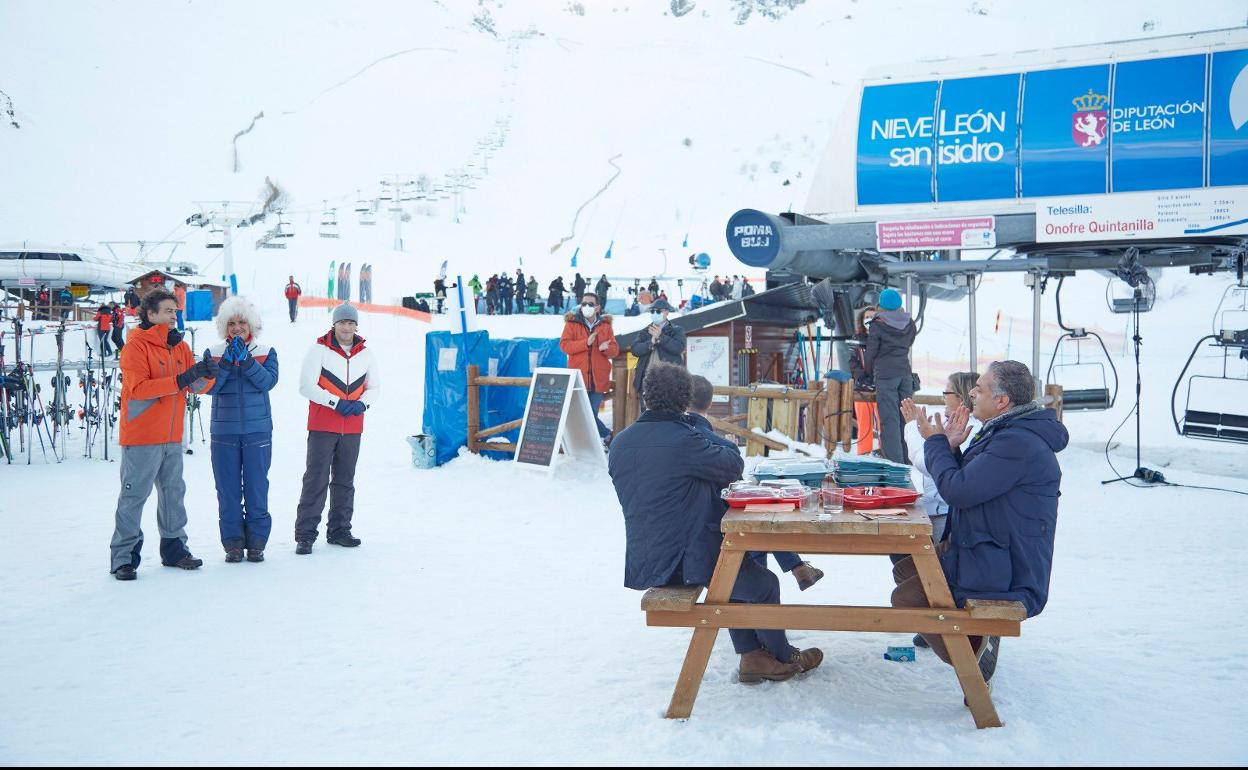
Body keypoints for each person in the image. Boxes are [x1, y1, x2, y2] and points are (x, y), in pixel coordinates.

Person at [609, 362, 823, 682]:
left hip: (647, 557)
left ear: (646, 396)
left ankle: (752, 656)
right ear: (684, 401)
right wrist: (698, 426)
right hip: (684, 561)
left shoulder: (621, 442)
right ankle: (783, 657)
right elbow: (733, 464)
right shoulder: (685, 440)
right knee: (763, 584)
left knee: (738, 567)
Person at [892, 360, 1067, 683]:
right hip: (990, 551)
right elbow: (972, 483)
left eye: (980, 388)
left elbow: (958, 491)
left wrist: (938, 443)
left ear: (1002, 401)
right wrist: (952, 449)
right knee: (907, 568)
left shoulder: (1016, 443)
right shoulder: (1009, 433)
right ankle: (974, 639)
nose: (972, 392)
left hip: (1005, 569)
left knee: (906, 598)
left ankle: (972, 658)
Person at [109, 288, 215, 580]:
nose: (174, 316)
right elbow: (138, 389)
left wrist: (207, 373)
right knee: (134, 497)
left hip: (171, 435)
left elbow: (195, 387)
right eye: (168, 311)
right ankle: (123, 557)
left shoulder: (178, 347)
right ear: (150, 313)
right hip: (142, 436)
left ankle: (175, 549)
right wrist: (182, 378)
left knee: (173, 493)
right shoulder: (136, 347)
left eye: (176, 312)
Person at [686, 376, 823, 591]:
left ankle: (794, 568)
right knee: (755, 517)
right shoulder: (708, 441)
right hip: (711, 528)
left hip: (698, 520)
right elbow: (734, 483)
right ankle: (791, 570)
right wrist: (729, 450)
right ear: (711, 403)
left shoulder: (681, 436)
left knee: (755, 512)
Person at [295, 303, 380, 554]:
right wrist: (335, 402)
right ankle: (305, 535)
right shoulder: (318, 350)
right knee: (316, 479)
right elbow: (306, 386)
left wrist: (361, 405)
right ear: (334, 324)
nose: (346, 327)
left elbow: (374, 387)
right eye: (342, 322)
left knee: (345, 480)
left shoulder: (366, 353)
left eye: (351, 323)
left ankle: (340, 530)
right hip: (323, 424)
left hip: (352, 427)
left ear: (356, 326)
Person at [204, 296, 279, 563]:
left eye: (242, 322)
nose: (237, 328)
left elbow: (267, 382)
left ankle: (257, 542)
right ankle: (233, 543)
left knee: (257, 488)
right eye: (231, 323)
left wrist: (246, 360)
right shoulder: (213, 352)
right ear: (224, 326)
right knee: (228, 490)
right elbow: (211, 387)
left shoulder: (266, 351)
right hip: (224, 433)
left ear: (252, 326)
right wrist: (225, 363)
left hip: (257, 432)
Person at [559, 293, 619, 444]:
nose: (586, 307)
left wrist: (606, 348)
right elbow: (564, 346)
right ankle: (608, 436)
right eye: (584, 303)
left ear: (597, 307)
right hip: (579, 379)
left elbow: (615, 350)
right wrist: (586, 343)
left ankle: (593, 445)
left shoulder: (605, 326)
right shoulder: (572, 324)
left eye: (590, 304)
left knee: (591, 414)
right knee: (584, 416)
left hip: (598, 379)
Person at [865, 288, 916, 463]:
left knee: (890, 421)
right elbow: (909, 343)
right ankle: (909, 460)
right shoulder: (910, 323)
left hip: (886, 376)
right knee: (906, 419)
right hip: (905, 375)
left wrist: (866, 374)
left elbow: (871, 353)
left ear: (881, 304)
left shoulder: (877, 325)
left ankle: (895, 466)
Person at [630, 299, 685, 396]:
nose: (655, 313)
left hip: (669, 380)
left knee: (668, 409)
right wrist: (651, 342)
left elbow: (678, 348)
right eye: (652, 311)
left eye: (658, 311)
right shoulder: (645, 331)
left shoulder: (676, 330)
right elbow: (635, 350)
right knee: (646, 410)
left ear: (667, 312)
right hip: (646, 380)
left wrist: (661, 337)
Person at [848, 307, 878, 454]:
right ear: (861, 320)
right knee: (864, 426)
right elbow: (852, 363)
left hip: (880, 388)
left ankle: (885, 454)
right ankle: (863, 455)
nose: (869, 319)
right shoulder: (856, 339)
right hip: (862, 389)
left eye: (873, 316)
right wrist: (862, 377)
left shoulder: (883, 339)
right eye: (867, 316)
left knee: (884, 425)